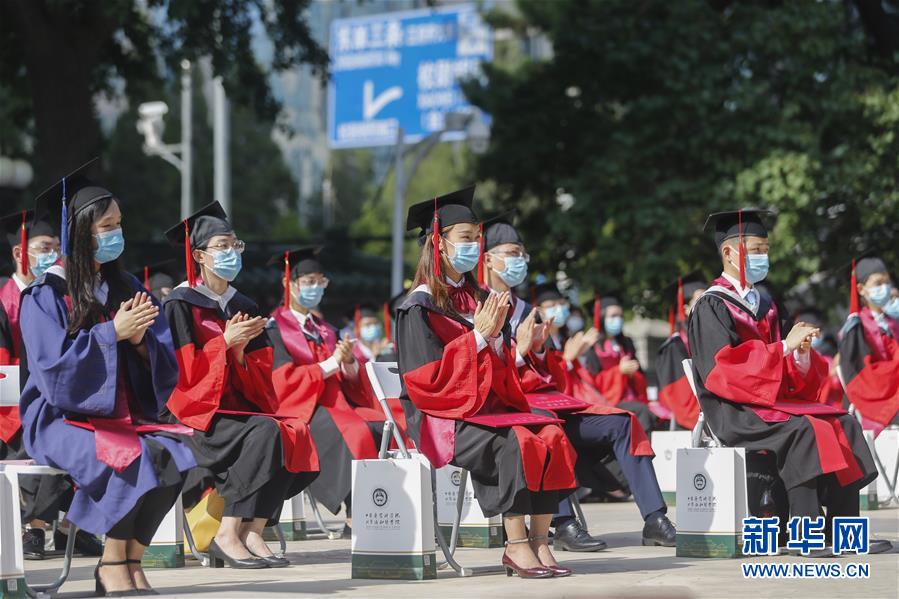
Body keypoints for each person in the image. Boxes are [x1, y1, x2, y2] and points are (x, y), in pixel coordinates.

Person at [21, 166, 198, 594]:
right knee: (132, 456)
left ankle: (130, 559)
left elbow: (159, 358)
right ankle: (110, 562)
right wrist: (111, 334)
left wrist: (139, 343)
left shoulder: (125, 286)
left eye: (118, 225)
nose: (115, 234)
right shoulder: (46, 295)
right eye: (106, 226)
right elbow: (51, 372)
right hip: (58, 417)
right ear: (81, 231)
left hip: (119, 412)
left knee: (175, 456)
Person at [397, 188, 579, 578]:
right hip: (442, 416)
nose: (474, 246)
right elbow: (424, 382)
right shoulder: (418, 306)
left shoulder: (477, 297)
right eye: (465, 238)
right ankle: (514, 545)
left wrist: (498, 339)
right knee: (515, 441)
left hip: (487, 408)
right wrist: (479, 338)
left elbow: (500, 368)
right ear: (438, 242)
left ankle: (540, 540)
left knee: (550, 432)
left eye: (476, 238)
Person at [688, 209, 890, 555]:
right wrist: (782, 347)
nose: (763, 256)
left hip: (771, 401)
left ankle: (842, 531)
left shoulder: (765, 304)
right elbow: (722, 371)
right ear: (728, 253)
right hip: (733, 408)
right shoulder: (712, 305)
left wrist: (800, 356)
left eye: (766, 248)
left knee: (844, 422)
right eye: (755, 249)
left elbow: (787, 372)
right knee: (805, 430)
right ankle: (804, 533)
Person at [163, 202, 318, 569]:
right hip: (196, 416)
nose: (232, 253)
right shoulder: (180, 305)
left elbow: (262, 382)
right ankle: (226, 531)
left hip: (236, 412)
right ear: (198, 255)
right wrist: (224, 345)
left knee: (293, 429)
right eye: (222, 246)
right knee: (266, 432)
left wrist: (240, 354)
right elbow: (181, 377)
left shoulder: (243, 304)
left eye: (235, 245)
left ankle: (253, 530)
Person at [0, 208, 102, 560]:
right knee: (40, 430)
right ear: (19, 252)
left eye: (57, 247)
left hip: (59, 391)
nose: (53, 254)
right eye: (44, 247)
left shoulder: (61, 292)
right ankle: (37, 528)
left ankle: (68, 527)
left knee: (84, 426)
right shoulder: (3, 300)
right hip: (11, 404)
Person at [267, 247, 383, 537]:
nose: (315, 287)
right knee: (354, 430)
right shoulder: (274, 329)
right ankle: (355, 514)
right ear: (288, 284)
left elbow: (347, 382)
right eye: (308, 281)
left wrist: (347, 364)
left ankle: (378, 507)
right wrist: (329, 364)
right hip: (299, 409)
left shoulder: (325, 330)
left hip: (335, 404)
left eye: (320, 281)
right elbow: (281, 382)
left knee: (381, 425)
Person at [838, 257, 899, 428]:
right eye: (878, 283)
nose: (885, 287)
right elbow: (860, 374)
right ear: (861, 289)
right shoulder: (856, 327)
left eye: (887, 281)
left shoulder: (893, 321)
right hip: (877, 396)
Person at [581, 296, 655, 432]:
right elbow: (592, 382)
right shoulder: (592, 347)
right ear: (602, 318)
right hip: (608, 399)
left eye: (620, 316)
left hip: (630, 396)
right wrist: (619, 371)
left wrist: (632, 374)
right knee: (642, 411)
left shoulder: (626, 343)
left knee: (655, 413)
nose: (618, 319)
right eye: (613, 316)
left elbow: (640, 377)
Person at [656, 279, 707, 430]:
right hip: (692, 415)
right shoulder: (674, 347)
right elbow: (679, 396)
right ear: (685, 308)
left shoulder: (709, 337)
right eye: (700, 299)